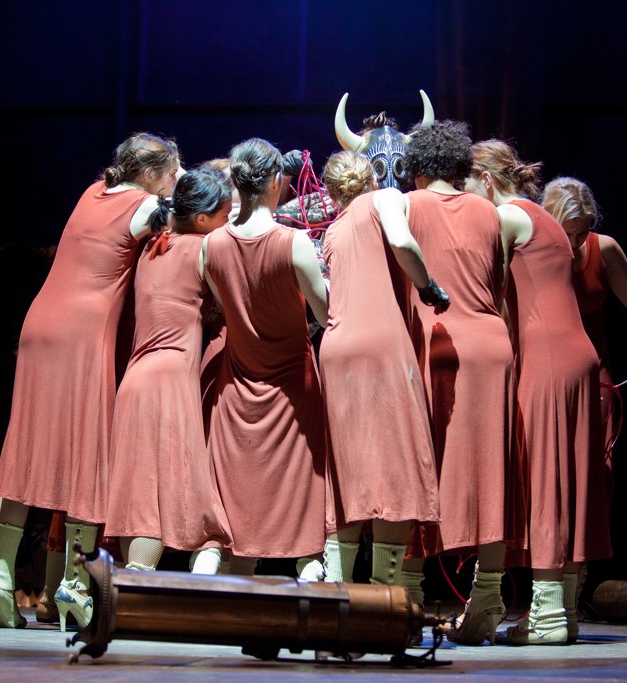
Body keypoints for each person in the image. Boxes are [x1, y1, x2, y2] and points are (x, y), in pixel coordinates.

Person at [0, 132, 182, 630]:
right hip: (83, 332)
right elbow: (185, 219)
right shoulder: (144, 205)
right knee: (87, 453)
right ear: (150, 174)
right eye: (171, 172)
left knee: (25, 447)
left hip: (40, 325)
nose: (174, 180)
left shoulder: (92, 192)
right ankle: (74, 585)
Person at [465, 139, 611, 645]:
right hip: (575, 354)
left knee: (545, 478)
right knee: (568, 479)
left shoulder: (506, 217)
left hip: (547, 356)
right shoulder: (541, 216)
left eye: (467, 185)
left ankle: (547, 617)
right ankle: (562, 610)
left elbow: (489, 294)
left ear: (486, 180)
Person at [540, 175, 627, 632]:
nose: (575, 241)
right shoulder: (531, 248)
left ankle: (573, 587)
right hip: (543, 374)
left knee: (592, 479)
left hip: (593, 377)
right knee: (544, 479)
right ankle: (538, 586)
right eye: (568, 231)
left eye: (583, 230)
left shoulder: (604, 249)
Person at [397, 120, 515, 646]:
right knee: (491, 473)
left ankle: (406, 594)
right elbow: (498, 282)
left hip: (434, 343)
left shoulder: (406, 206)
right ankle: (487, 596)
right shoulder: (489, 212)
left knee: (421, 468)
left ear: (418, 168)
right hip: (491, 347)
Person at [316, 150, 449, 590]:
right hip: (380, 343)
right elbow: (403, 243)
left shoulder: (333, 229)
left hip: (337, 347)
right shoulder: (385, 198)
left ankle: (336, 591)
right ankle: (384, 594)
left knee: (346, 470)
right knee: (393, 464)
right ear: (372, 176)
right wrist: (428, 286)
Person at [200, 137, 331, 576]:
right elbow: (325, 313)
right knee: (302, 502)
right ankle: (309, 579)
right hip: (294, 390)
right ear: (277, 182)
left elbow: (226, 305)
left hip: (237, 388)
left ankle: (228, 596)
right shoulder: (294, 242)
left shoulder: (211, 246)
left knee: (238, 503)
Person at [102, 167, 235, 585]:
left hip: (136, 380)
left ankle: (136, 579)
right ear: (202, 219)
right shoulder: (204, 248)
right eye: (225, 215)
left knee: (142, 488)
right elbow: (234, 304)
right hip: (170, 379)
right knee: (168, 489)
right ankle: (148, 581)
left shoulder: (152, 247)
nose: (228, 222)